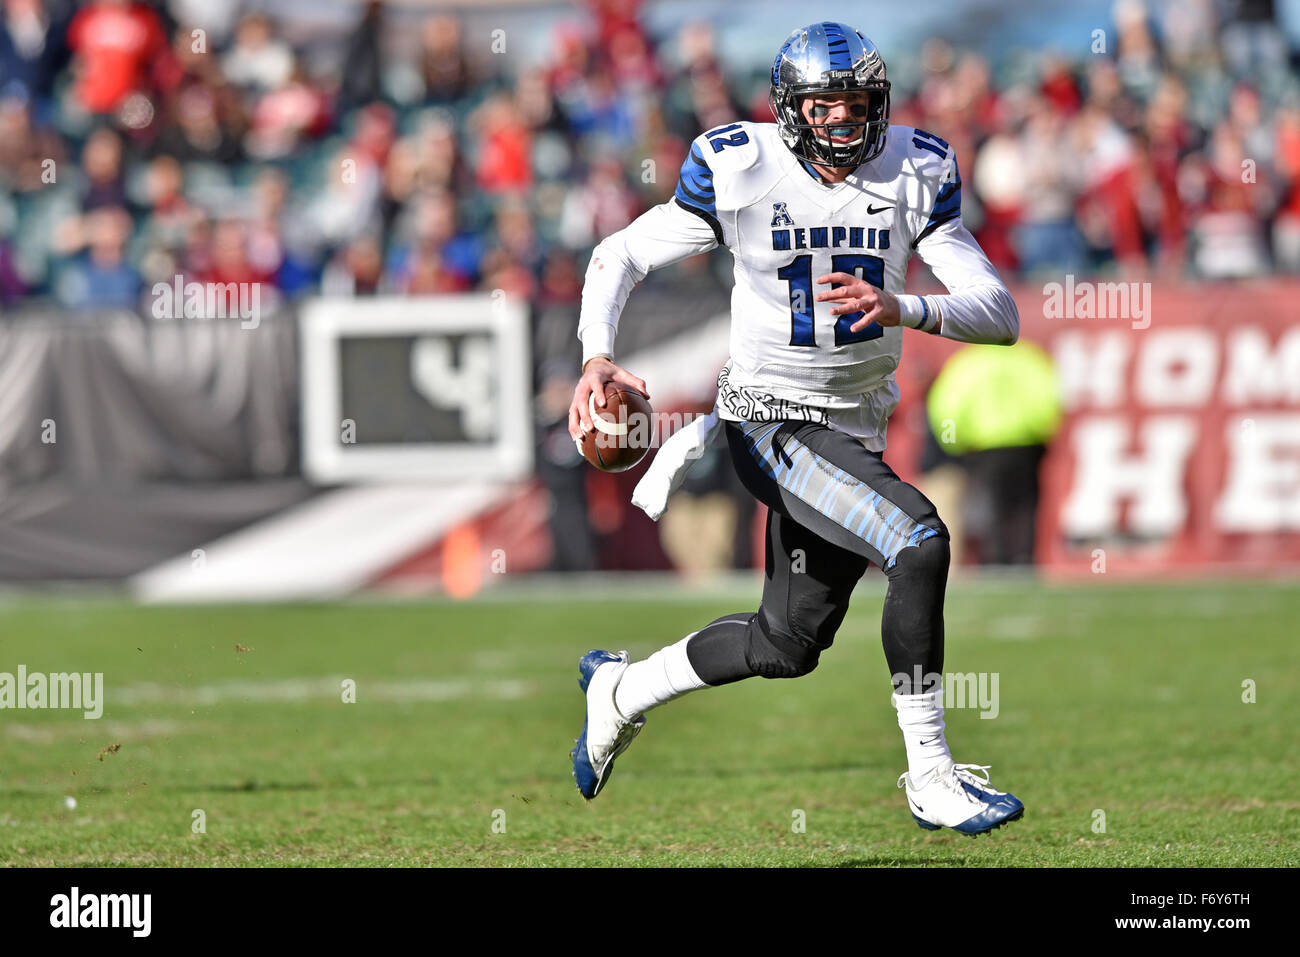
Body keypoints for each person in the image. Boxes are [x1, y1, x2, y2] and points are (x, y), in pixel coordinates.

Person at [567, 22, 1023, 835]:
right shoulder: (740, 167)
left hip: (852, 428)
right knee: (918, 540)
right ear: (789, 110)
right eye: (825, 105)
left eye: (858, 104)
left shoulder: (918, 169)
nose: (845, 123)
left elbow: (998, 312)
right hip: (768, 419)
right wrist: (597, 354)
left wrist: (904, 306)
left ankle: (621, 690)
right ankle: (932, 775)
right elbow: (618, 254)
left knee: (788, 641)